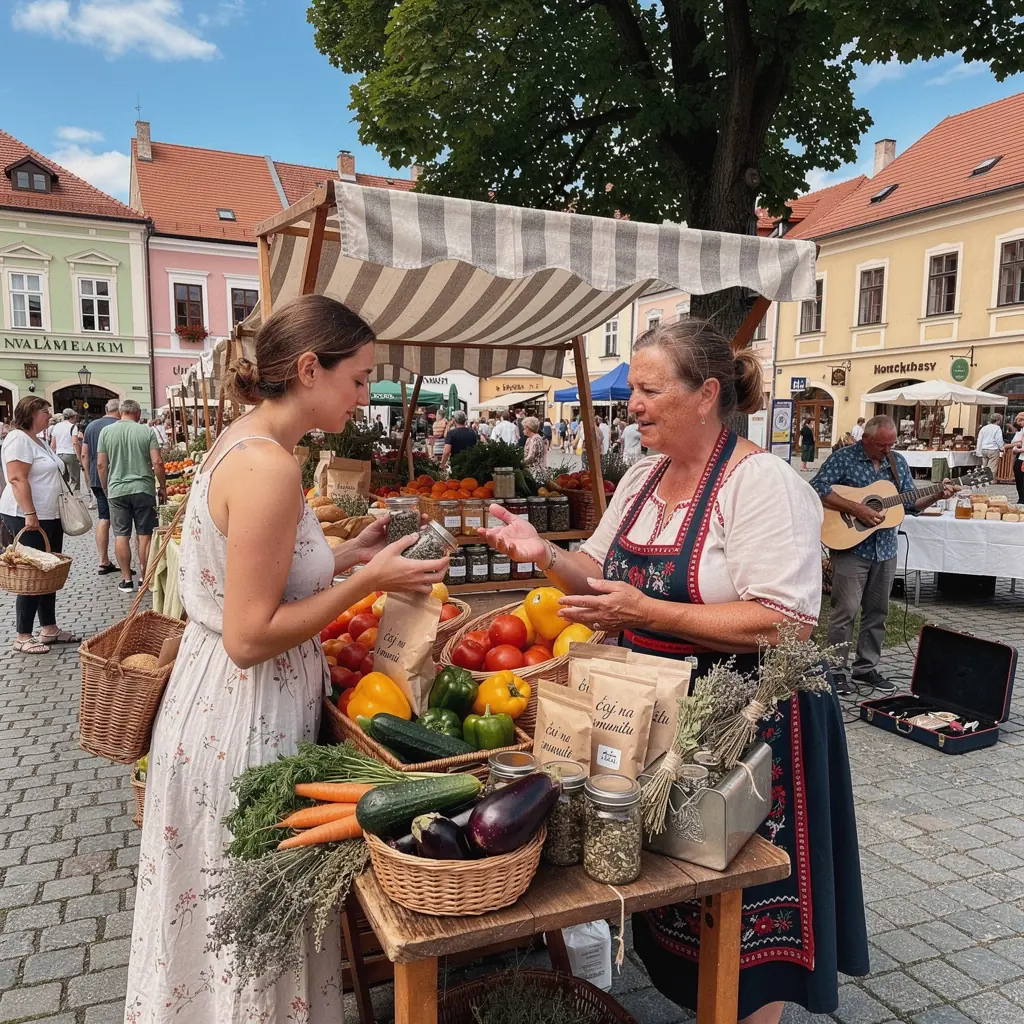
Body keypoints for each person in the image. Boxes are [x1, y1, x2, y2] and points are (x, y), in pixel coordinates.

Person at [479, 319, 867, 1024]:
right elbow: (597, 574)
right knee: (682, 900)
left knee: (745, 924)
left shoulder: (762, 484)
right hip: (661, 720)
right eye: (634, 389)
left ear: (706, 394)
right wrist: (543, 553)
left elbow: (787, 621)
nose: (633, 403)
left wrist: (648, 612)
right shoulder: (641, 477)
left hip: (752, 730)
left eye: (651, 389)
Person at [125, 294, 450, 1022]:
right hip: (243, 715)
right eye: (358, 378)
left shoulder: (247, 444)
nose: (365, 398)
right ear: (309, 368)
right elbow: (249, 635)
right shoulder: (270, 466)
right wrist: (366, 581)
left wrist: (343, 555)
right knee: (249, 924)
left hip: (217, 705)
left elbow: (257, 571)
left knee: (221, 921)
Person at [811, 414, 953, 695]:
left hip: (886, 548)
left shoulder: (896, 462)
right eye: (882, 445)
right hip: (852, 547)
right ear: (866, 439)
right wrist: (857, 508)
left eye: (891, 445)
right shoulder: (844, 458)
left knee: (878, 611)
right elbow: (817, 487)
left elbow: (911, 504)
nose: (887, 450)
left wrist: (937, 495)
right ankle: (835, 670)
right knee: (846, 610)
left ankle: (866, 667)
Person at [0, 397, 81, 654]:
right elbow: (16, 478)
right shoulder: (18, 440)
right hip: (27, 515)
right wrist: (30, 513)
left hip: (49, 515)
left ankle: (49, 627)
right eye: (45, 411)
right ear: (31, 413)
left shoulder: (39, 440)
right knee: (32, 573)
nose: (49, 414)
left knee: (49, 571)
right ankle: (23, 634)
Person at [96, 400, 166, 594]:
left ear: (120, 412)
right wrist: (163, 485)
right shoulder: (146, 432)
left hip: (117, 489)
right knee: (145, 535)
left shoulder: (106, 432)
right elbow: (158, 462)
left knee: (121, 535)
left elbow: (101, 465)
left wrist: (105, 486)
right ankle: (145, 577)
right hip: (143, 488)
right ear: (137, 413)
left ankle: (127, 580)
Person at [81, 398, 121, 575]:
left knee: (103, 517)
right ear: (119, 411)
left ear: (106, 409)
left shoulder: (91, 426)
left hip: (97, 477)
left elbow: (84, 455)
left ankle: (103, 560)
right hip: (116, 477)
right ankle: (124, 563)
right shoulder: (121, 425)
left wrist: (89, 479)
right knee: (122, 521)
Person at [49, 407, 81, 492]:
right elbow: (75, 442)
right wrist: (79, 457)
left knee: (64, 478)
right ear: (72, 417)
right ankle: (75, 497)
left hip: (59, 454)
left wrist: (52, 456)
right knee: (75, 478)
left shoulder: (56, 426)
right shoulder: (73, 427)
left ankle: (65, 495)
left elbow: (53, 444)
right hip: (71, 453)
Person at [1011, 412, 1024, 504]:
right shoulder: (1021, 431)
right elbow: (1014, 442)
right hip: (1020, 458)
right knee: (1019, 480)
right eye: (1018, 420)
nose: (1019, 422)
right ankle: (1021, 499)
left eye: (1021, 420)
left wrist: (1017, 449)